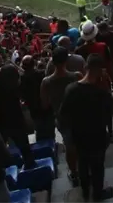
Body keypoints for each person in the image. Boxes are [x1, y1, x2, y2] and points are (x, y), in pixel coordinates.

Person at [59, 54, 113, 202]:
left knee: (83, 165)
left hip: (78, 137)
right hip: (98, 137)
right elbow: (110, 113)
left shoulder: (71, 89)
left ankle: (85, 193)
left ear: (85, 67)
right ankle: (97, 195)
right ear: (101, 70)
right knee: (97, 168)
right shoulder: (102, 93)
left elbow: (63, 116)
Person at [0, 53, 36, 169]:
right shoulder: (10, 69)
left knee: (0, 154)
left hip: (1, 125)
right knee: (25, 150)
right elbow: (19, 83)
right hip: (17, 116)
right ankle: (31, 168)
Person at [40, 47, 81, 185]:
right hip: (79, 117)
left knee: (69, 146)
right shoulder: (77, 76)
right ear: (66, 60)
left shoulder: (46, 82)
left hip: (62, 119)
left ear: (52, 61)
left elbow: (45, 105)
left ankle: (74, 173)